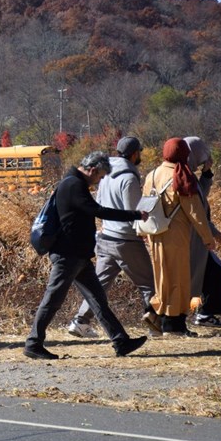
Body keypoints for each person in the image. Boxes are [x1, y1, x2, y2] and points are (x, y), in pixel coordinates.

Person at [24, 151, 149, 360]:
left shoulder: (73, 183)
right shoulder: (73, 185)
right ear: (92, 169)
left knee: (98, 300)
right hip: (68, 254)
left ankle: (121, 341)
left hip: (78, 255)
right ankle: (33, 343)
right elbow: (98, 211)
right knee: (53, 298)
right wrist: (135, 214)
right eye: (99, 177)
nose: (98, 182)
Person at [66, 137, 160, 338]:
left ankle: (80, 321)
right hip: (126, 240)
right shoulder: (129, 178)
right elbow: (133, 211)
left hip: (106, 237)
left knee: (98, 284)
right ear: (135, 154)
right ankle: (155, 322)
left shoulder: (105, 173)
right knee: (149, 283)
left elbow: (99, 203)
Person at [143, 138, 217, 336]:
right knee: (179, 279)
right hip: (175, 235)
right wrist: (207, 237)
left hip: (155, 233)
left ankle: (154, 313)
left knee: (162, 277)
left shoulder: (153, 174)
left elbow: (145, 204)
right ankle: (174, 326)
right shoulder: (182, 175)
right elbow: (195, 210)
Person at [184, 136, 221, 329]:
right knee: (213, 273)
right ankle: (202, 314)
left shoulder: (188, 175)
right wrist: (211, 232)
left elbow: (200, 196)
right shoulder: (183, 176)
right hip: (193, 237)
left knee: (212, 273)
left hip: (196, 236)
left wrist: (207, 173)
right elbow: (196, 210)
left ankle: (204, 313)